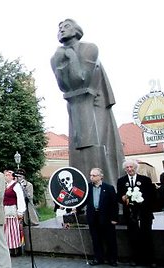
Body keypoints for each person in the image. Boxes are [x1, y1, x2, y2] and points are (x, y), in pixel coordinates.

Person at [50, 19, 124, 188]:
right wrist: (59, 62)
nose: (61, 30)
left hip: (93, 103)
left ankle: (105, 188)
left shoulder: (89, 48)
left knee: (94, 143)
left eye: (66, 26)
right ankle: (83, 195)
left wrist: (71, 57)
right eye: (59, 28)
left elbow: (81, 79)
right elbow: (63, 86)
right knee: (79, 145)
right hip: (74, 103)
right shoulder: (56, 56)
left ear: (77, 31)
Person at [117, 159, 156, 267]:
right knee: (132, 237)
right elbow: (119, 196)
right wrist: (123, 198)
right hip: (130, 214)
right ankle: (135, 259)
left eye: (131, 167)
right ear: (125, 169)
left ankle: (150, 259)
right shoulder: (121, 181)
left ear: (135, 168)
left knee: (147, 235)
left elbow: (152, 196)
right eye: (127, 168)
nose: (130, 169)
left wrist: (143, 202)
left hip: (144, 213)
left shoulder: (145, 180)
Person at [84, 168, 118, 266]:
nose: (91, 177)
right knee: (95, 239)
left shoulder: (109, 188)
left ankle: (112, 259)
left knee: (110, 239)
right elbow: (83, 201)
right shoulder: (88, 187)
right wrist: (75, 209)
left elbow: (114, 204)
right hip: (93, 217)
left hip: (106, 217)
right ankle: (98, 258)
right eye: (90, 175)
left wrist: (114, 218)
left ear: (101, 176)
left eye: (94, 175)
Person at [3, 170, 26, 257]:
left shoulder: (16, 185)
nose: (6, 176)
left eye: (8, 175)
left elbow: (20, 198)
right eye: (5, 175)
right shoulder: (5, 186)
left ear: (13, 176)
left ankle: (16, 249)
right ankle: (9, 248)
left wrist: (20, 211)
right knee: (7, 231)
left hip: (13, 209)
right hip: (5, 210)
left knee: (14, 230)